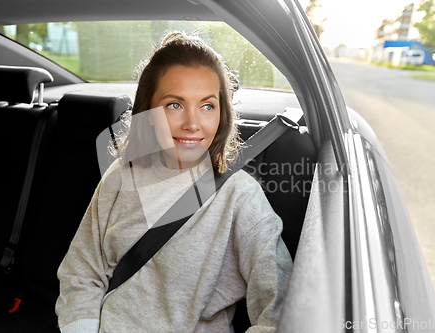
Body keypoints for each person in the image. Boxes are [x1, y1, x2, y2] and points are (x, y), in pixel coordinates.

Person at [55, 31, 293, 333]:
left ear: (223, 114)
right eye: (174, 105)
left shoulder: (239, 197)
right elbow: (81, 273)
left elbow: (281, 310)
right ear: (148, 110)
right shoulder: (120, 176)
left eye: (207, 106)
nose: (193, 123)